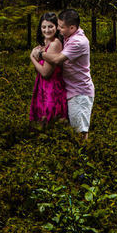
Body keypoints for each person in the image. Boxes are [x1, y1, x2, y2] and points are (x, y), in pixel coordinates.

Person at [32, 9, 94, 142]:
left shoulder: (78, 42)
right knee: (68, 127)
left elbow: (56, 59)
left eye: (60, 26)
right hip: (70, 89)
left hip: (79, 92)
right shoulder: (68, 36)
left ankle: (83, 156)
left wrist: (38, 55)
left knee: (80, 131)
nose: (58, 29)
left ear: (72, 27)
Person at [28, 12, 67, 126]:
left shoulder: (55, 44)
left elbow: (45, 73)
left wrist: (32, 57)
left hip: (53, 89)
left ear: (56, 27)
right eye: (43, 27)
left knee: (50, 122)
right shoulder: (45, 43)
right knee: (42, 124)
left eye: (50, 26)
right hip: (43, 87)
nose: (47, 30)